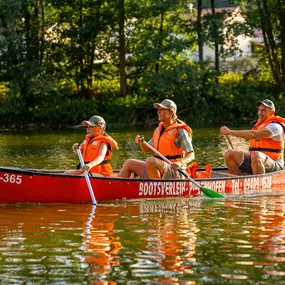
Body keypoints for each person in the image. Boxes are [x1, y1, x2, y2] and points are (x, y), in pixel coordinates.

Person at [117, 99, 195, 179]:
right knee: (129, 163)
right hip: (158, 169)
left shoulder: (181, 131)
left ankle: (158, 188)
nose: (158, 111)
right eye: (158, 109)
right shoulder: (159, 130)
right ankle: (114, 186)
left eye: (162, 109)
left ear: (171, 112)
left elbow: (191, 155)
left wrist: (180, 162)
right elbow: (146, 149)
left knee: (150, 161)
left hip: (175, 171)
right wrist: (141, 141)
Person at [220, 99, 285, 175]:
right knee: (229, 153)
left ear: (272, 112)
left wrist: (230, 132)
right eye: (259, 110)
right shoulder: (259, 126)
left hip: (275, 165)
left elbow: (253, 135)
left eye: (264, 110)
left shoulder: (275, 126)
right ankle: (238, 182)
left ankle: (259, 185)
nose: (260, 113)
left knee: (256, 155)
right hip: (256, 162)